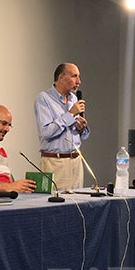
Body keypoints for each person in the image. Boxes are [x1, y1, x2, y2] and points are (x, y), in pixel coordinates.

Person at [33, 63, 89, 191]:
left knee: (77, 201)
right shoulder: (44, 99)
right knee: (57, 201)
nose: (79, 81)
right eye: (74, 76)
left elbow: (78, 134)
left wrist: (82, 128)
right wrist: (70, 114)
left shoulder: (73, 98)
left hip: (76, 161)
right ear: (61, 77)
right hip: (55, 163)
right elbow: (46, 132)